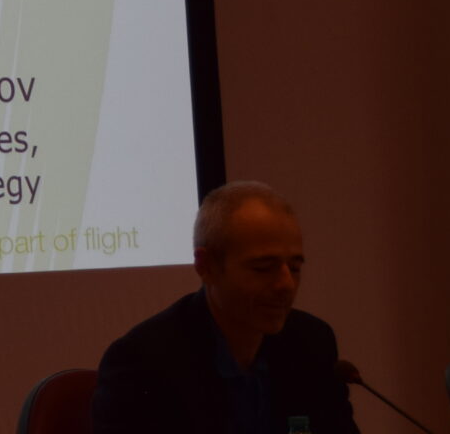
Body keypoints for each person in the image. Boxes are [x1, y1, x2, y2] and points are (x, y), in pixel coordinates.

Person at [92, 181, 358, 434]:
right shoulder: (142, 362)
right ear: (205, 266)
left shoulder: (312, 343)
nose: (286, 284)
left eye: (295, 267)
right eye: (264, 268)